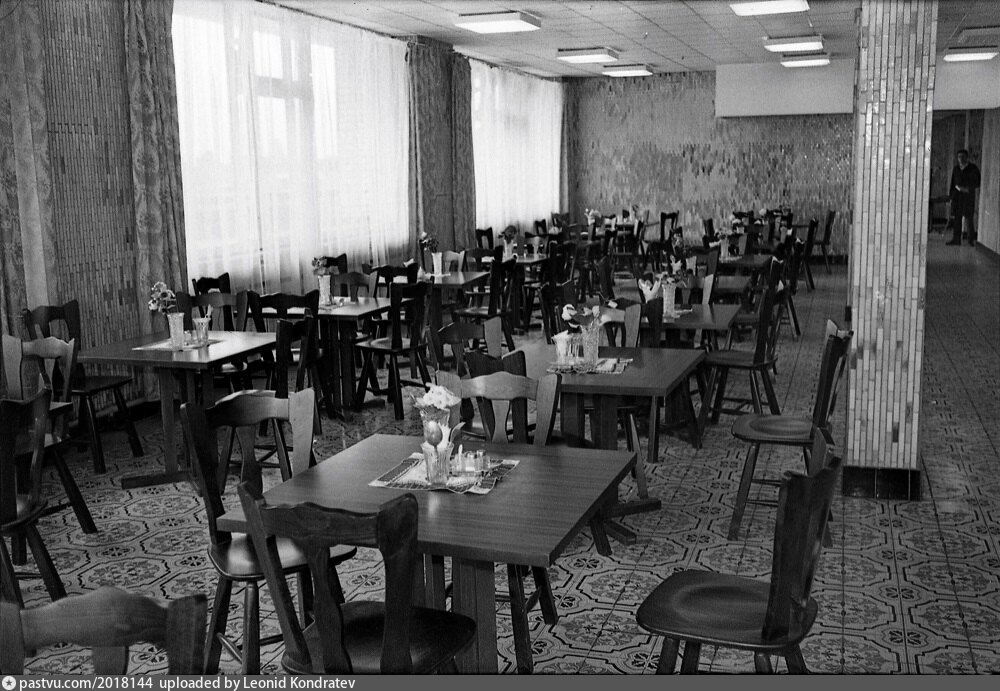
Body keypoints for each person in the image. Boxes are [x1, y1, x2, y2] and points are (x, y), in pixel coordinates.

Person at [947, 149, 981, 246]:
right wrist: (951, 197)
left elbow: (977, 181)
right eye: (959, 157)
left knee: (969, 218)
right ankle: (956, 239)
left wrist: (968, 188)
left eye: (963, 157)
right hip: (957, 197)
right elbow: (953, 183)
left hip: (968, 196)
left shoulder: (973, 168)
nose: (961, 159)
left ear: (967, 157)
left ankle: (970, 240)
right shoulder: (956, 169)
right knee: (957, 218)